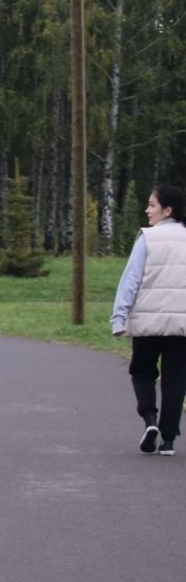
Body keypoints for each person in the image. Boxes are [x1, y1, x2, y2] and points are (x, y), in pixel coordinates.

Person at [111, 183, 186, 456]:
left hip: (148, 323)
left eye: (152, 205)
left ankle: (150, 420)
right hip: (181, 325)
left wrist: (119, 317)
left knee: (142, 372)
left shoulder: (147, 238)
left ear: (168, 210)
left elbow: (131, 279)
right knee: (176, 380)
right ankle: (168, 440)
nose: (147, 210)